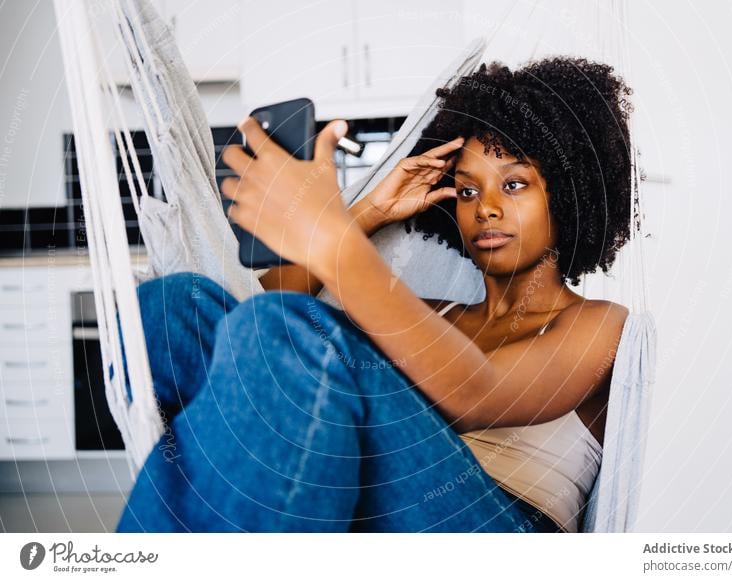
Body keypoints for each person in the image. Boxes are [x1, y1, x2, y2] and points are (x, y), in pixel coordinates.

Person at [116, 56, 632, 533]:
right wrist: (366, 215)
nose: (487, 208)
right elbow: (256, 320)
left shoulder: (602, 326)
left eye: (514, 185)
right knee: (176, 308)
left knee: (292, 332)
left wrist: (331, 238)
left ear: (569, 194)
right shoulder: (433, 317)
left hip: (500, 524)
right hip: (371, 504)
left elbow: (478, 393)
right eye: (469, 190)